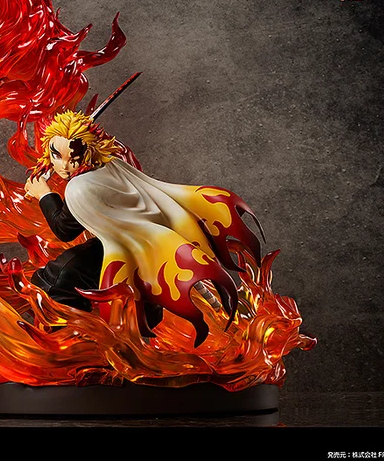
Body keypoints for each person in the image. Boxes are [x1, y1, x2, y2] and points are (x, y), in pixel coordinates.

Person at [24, 110, 262, 345]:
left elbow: (65, 230)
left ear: (89, 151)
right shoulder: (113, 165)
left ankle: (76, 344)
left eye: (74, 158)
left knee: (56, 279)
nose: (65, 167)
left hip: (137, 250)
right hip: (142, 244)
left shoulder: (82, 187)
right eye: (56, 156)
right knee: (68, 274)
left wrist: (44, 194)